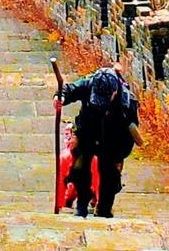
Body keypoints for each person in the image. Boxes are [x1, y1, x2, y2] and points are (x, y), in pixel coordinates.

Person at [53, 59, 141, 220]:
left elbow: (129, 137)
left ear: (114, 93)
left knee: (110, 178)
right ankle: (81, 204)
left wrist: (118, 157)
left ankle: (104, 210)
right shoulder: (90, 84)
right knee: (79, 168)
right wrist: (60, 97)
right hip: (87, 131)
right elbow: (69, 89)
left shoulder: (127, 103)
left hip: (112, 142)